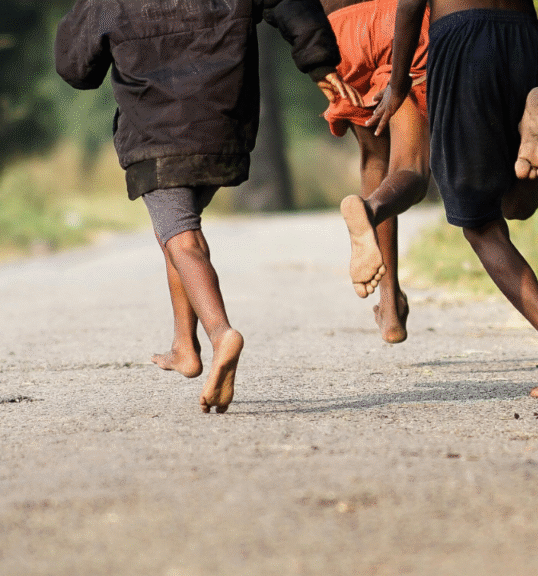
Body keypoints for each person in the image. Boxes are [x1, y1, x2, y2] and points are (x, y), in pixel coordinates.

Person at [55, 0, 360, 413]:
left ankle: (221, 334)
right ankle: (184, 346)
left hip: (155, 138)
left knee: (182, 239)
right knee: (177, 229)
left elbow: (76, 69)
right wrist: (318, 62)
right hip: (224, 130)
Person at [369, 0, 538, 397]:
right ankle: (533, 118)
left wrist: (397, 88)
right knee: (516, 204)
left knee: (481, 225)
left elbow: (412, 4)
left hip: (461, 43)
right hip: (524, 39)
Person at [317, 0, 432, 344]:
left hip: (336, 31)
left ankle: (389, 302)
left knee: (374, 160)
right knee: (411, 167)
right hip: (399, 20)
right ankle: (369, 212)